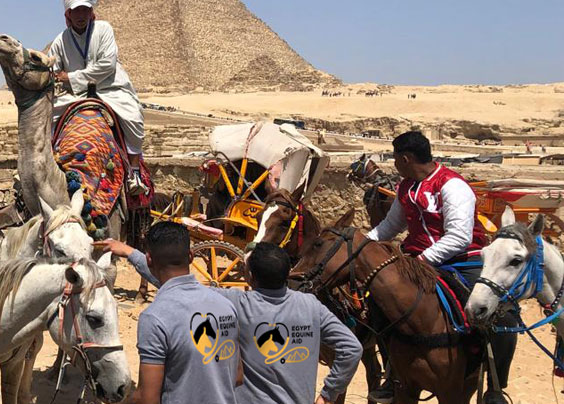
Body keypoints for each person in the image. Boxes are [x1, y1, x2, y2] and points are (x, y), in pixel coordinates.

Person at [365, 131, 514, 404]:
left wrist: (421, 261)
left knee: (503, 314)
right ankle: (393, 374)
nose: (394, 163)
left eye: (395, 158)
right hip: (415, 259)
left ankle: (495, 386)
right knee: (378, 305)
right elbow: (391, 226)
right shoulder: (406, 186)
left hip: (460, 259)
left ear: (406, 158)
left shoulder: (452, 186)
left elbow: (458, 237)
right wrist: (362, 243)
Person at [214, 243, 360, 404]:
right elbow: (352, 348)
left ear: (250, 276)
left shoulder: (236, 303)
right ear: (288, 273)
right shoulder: (311, 306)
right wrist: (328, 394)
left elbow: (191, 290)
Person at [130, 222, 239, 404]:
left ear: (149, 260)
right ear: (190, 256)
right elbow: (237, 376)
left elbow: (147, 398)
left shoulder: (154, 317)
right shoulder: (226, 306)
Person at [48, 0, 147, 193]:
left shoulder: (103, 29)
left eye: (85, 10)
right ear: (68, 14)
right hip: (76, 94)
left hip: (110, 88)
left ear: (91, 11)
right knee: (45, 117)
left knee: (133, 116)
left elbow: (107, 66)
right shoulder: (61, 40)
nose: (81, 15)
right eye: (77, 11)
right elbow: (52, 68)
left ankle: (134, 173)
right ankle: (46, 164)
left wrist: (69, 77)